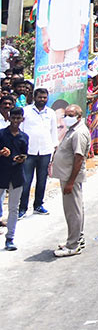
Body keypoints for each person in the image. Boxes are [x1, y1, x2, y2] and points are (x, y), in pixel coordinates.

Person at [51, 103, 88, 257]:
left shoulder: (79, 133)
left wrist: (71, 181)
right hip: (67, 175)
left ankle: (73, 245)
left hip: (70, 177)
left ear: (78, 117)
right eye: (65, 115)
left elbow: (78, 158)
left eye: (71, 115)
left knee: (73, 210)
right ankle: (76, 238)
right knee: (75, 208)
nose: (67, 118)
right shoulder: (72, 130)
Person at [19, 86, 54, 217]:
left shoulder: (50, 113)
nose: (42, 99)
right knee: (26, 181)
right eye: (40, 97)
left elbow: (53, 132)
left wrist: (53, 148)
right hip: (29, 151)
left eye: (45, 97)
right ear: (34, 98)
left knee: (42, 180)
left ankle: (38, 205)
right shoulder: (26, 111)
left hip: (45, 151)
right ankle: (22, 208)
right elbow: (21, 131)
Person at [0, 105, 28, 250]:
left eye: (18, 118)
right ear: (9, 118)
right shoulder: (1, 134)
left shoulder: (24, 137)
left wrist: (21, 159)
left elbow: (25, 154)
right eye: (13, 118)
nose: (15, 121)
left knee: (13, 208)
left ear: (22, 119)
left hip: (17, 175)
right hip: (2, 173)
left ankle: (10, 238)